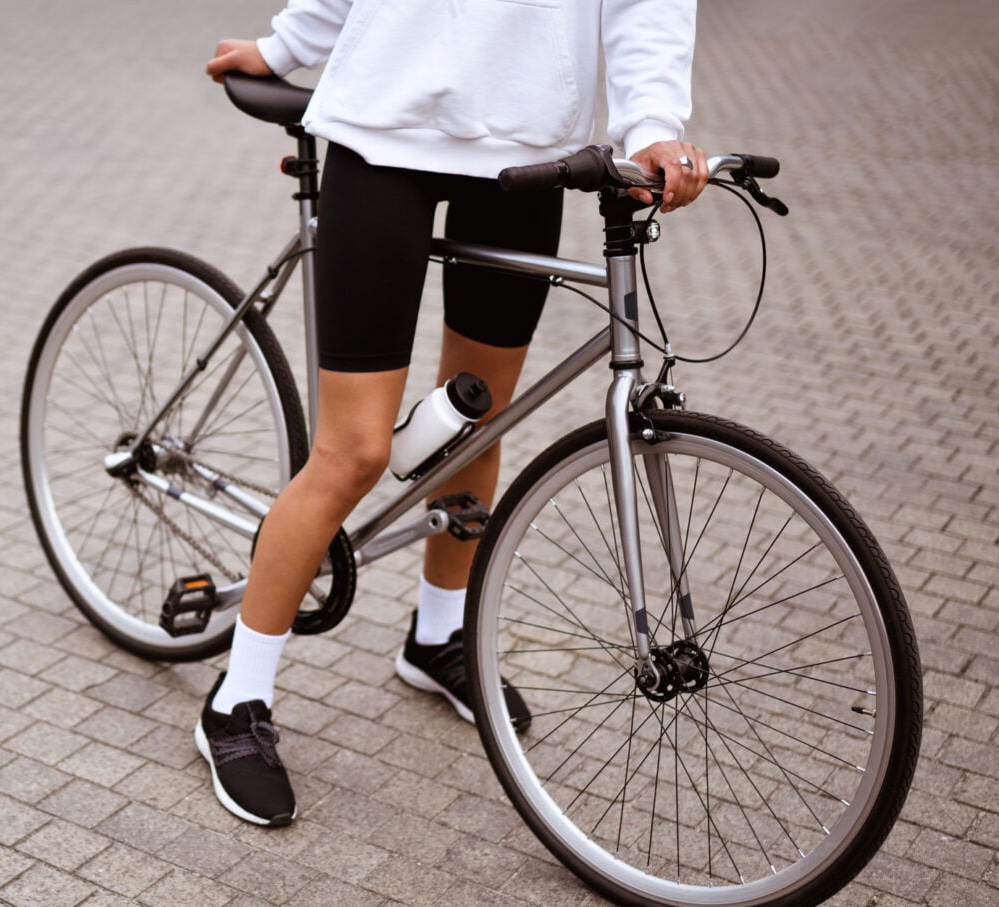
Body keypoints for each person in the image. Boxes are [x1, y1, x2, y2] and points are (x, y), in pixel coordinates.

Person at [196, 0, 708, 827]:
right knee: (355, 453)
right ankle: (237, 697)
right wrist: (284, 47)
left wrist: (653, 120)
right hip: (383, 135)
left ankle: (437, 638)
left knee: (479, 424)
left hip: (530, 154)